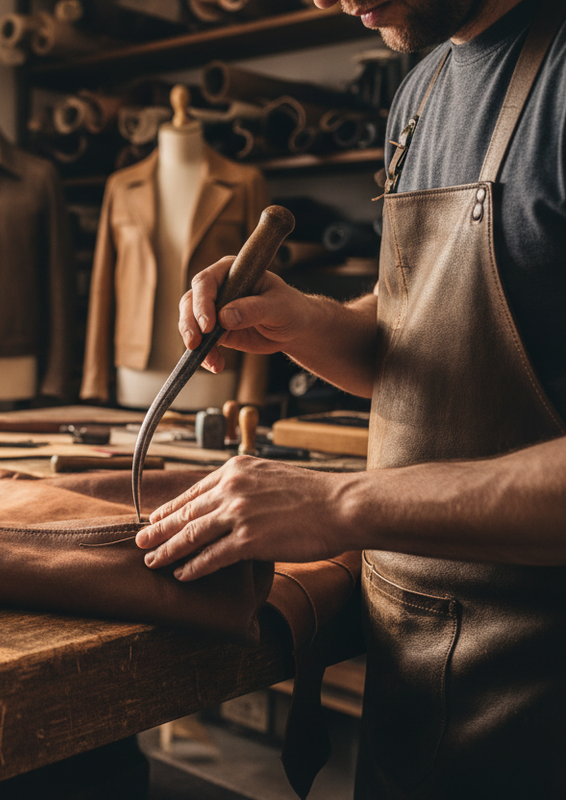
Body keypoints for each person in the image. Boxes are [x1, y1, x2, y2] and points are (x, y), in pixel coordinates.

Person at [134, 0, 566, 796]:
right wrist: (304, 322)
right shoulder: (424, 84)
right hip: (414, 660)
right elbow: (421, 339)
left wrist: (344, 503)